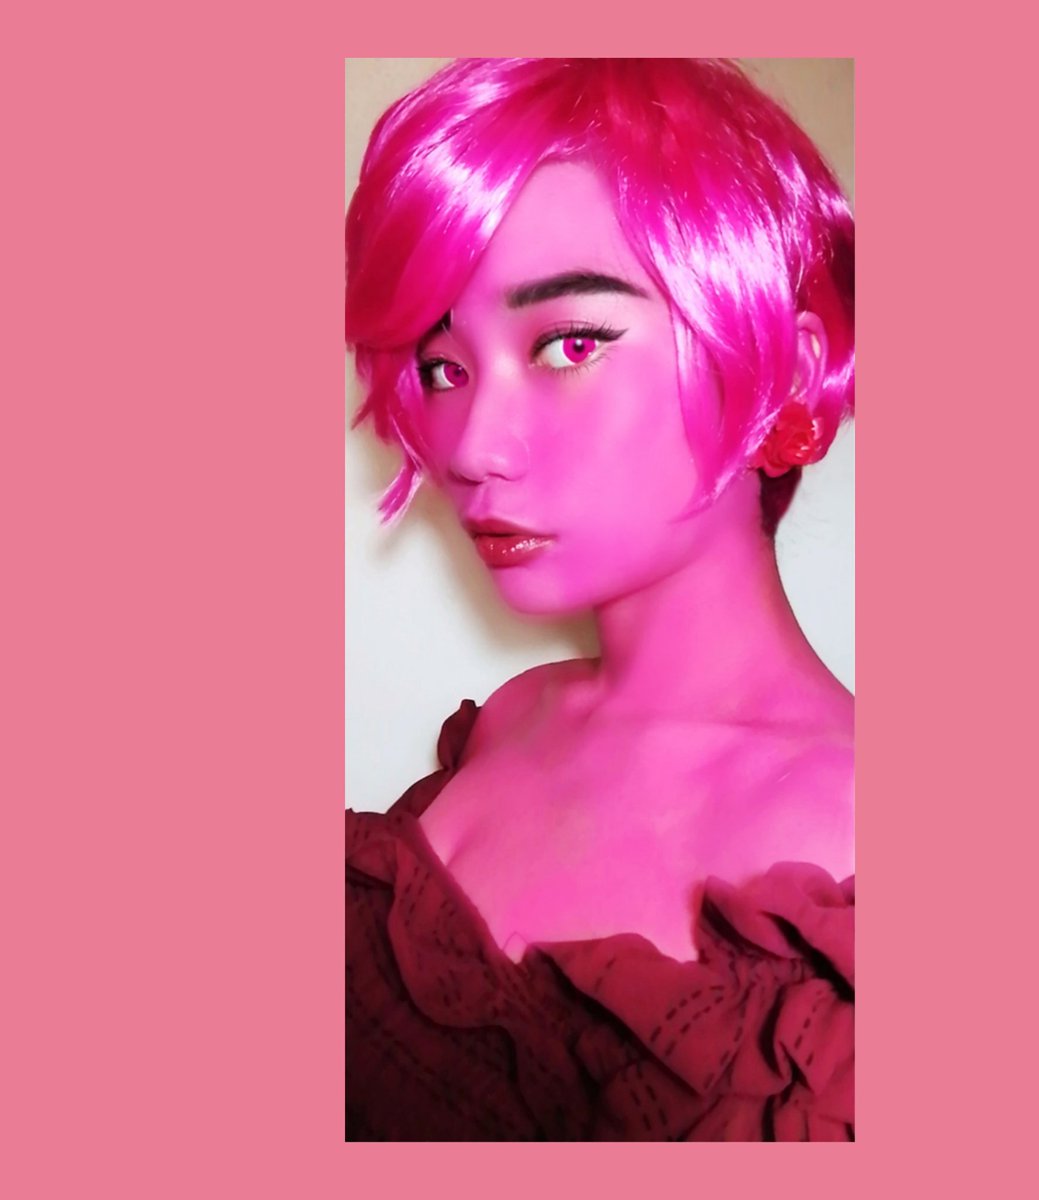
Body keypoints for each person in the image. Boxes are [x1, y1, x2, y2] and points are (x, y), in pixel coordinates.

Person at [345, 58, 855, 1141]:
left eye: (570, 342)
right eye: (442, 368)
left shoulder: (855, 849)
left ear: (782, 366)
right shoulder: (509, 720)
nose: (472, 449)